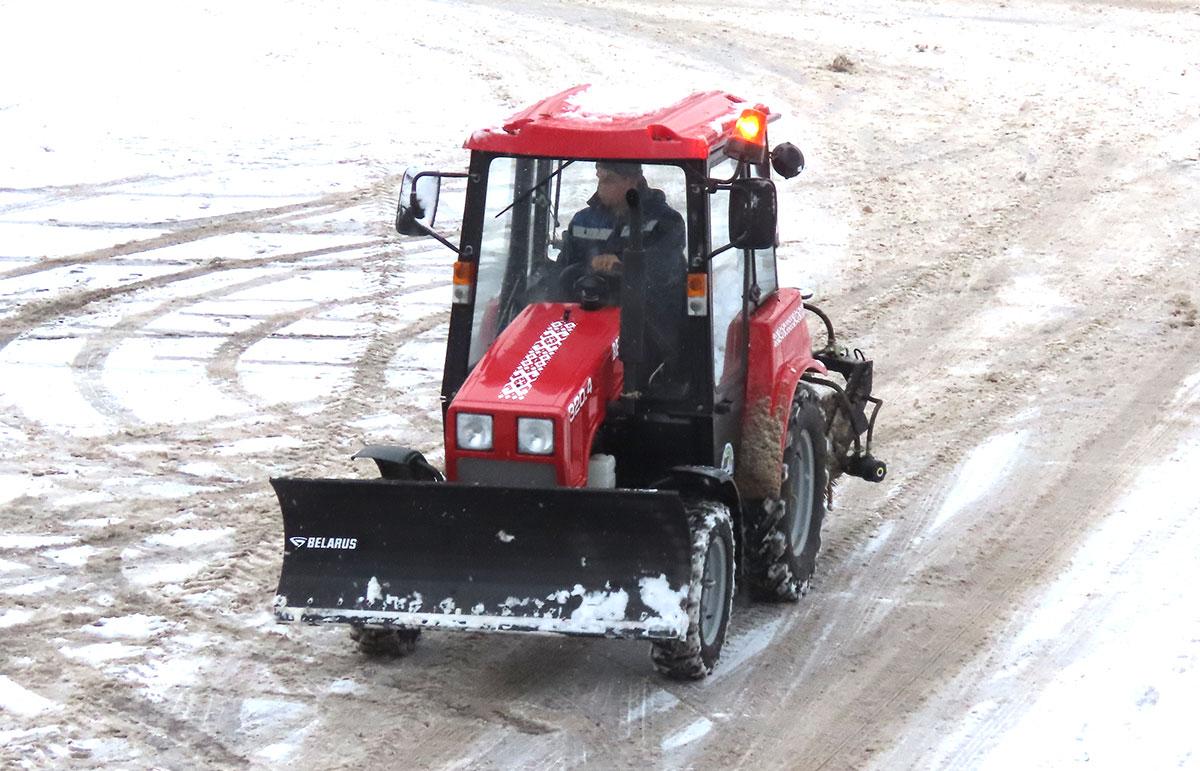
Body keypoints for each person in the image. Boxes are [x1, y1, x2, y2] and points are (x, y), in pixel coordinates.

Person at [557, 161, 686, 298]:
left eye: (609, 180)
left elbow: (666, 268)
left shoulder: (665, 221)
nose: (601, 186)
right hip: (586, 303)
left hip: (647, 306)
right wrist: (589, 266)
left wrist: (624, 265)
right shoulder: (583, 220)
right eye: (599, 179)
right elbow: (563, 267)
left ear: (632, 181)